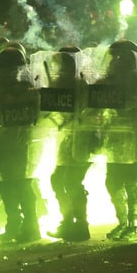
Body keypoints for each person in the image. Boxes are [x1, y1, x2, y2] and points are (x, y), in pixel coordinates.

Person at [90, 40, 137, 241]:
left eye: (120, 57)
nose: (115, 61)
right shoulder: (107, 82)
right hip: (115, 141)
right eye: (114, 57)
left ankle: (134, 225)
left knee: (133, 184)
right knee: (112, 182)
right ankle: (123, 222)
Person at [0, 47, 42, 243]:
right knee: (6, 185)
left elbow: (36, 116)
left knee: (22, 185)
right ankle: (15, 225)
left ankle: (30, 226)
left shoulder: (28, 89)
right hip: (5, 143)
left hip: (21, 143)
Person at [43, 47, 93, 241]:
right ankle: (68, 221)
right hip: (65, 141)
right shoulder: (59, 84)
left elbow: (87, 113)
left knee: (72, 182)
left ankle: (80, 225)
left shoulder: (81, 86)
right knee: (58, 180)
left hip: (81, 141)